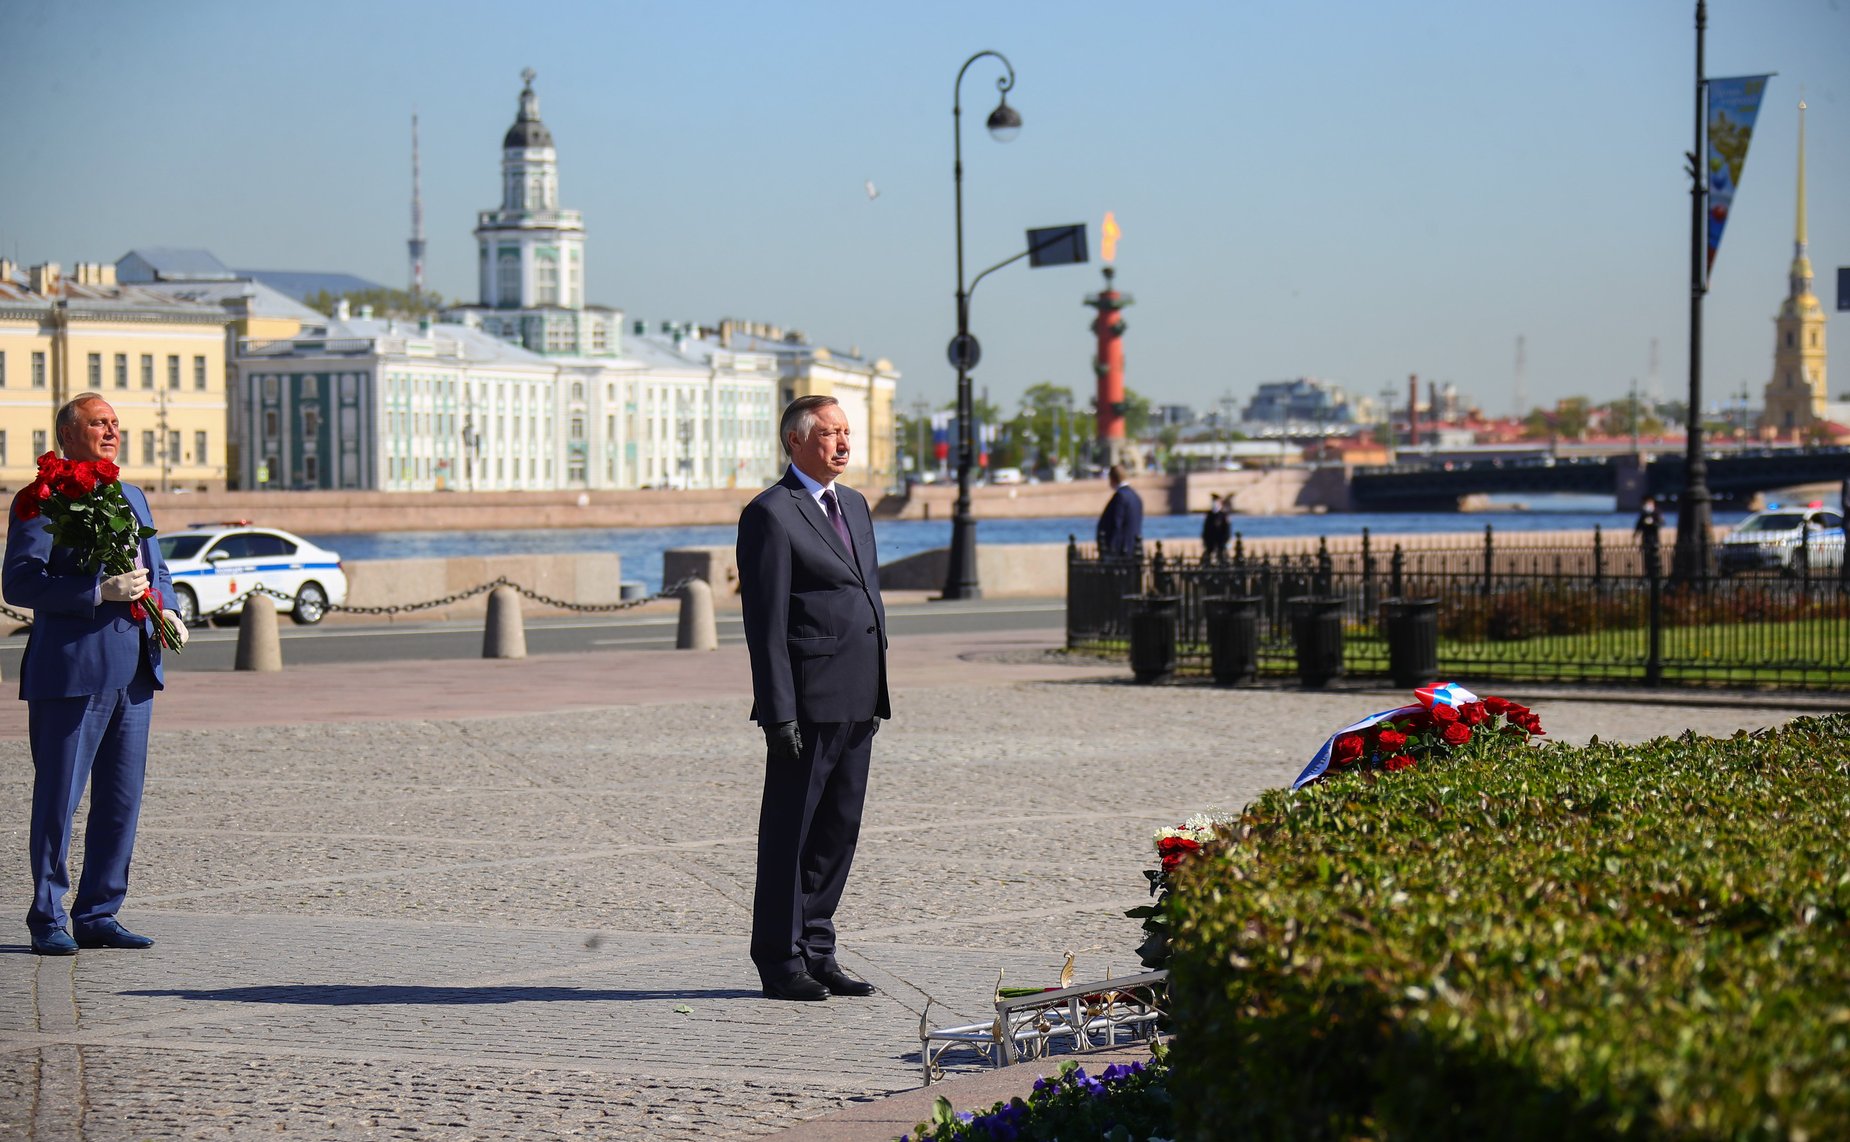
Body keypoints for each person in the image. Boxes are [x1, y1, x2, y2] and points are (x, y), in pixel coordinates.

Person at [4, 393, 188, 956]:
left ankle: (99, 911)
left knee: (120, 798)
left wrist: (170, 607)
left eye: (114, 423)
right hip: (73, 671)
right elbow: (19, 583)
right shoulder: (42, 499)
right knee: (59, 798)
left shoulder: (130, 495)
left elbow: (157, 569)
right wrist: (95, 592)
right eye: (98, 423)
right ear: (68, 432)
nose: (112, 431)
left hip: (134, 668)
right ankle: (47, 916)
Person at [736, 395, 889, 1002]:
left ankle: (819, 950)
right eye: (830, 434)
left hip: (858, 695)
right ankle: (780, 959)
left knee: (837, 832)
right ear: (795, 442)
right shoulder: (770, 514)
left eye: (847, 432)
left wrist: (878, 687)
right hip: (805, 702)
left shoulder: (854, 504)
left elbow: (864, 594)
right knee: (790, 834)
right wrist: (778, 711)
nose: (843, 444)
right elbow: (765, 623)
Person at [1096, 463, 1144, 557]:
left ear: (1112, 479)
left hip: (1121, 552)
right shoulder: (1136, 496)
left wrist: (1111, 549)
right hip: (1134, 549)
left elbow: (1116, 524)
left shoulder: (1120, 496)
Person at [1202, 493, 1232, 563]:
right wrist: (1205, 540)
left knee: (1222, 558)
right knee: (1208, 558)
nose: (1214, 504)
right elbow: (1206, 529)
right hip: (1210, 542)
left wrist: (1226, 540)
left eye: (1216, 502)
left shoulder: (1223, 515)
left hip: (1220, 542)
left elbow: (1227, 529)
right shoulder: (1209, 515)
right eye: (1213, 502)